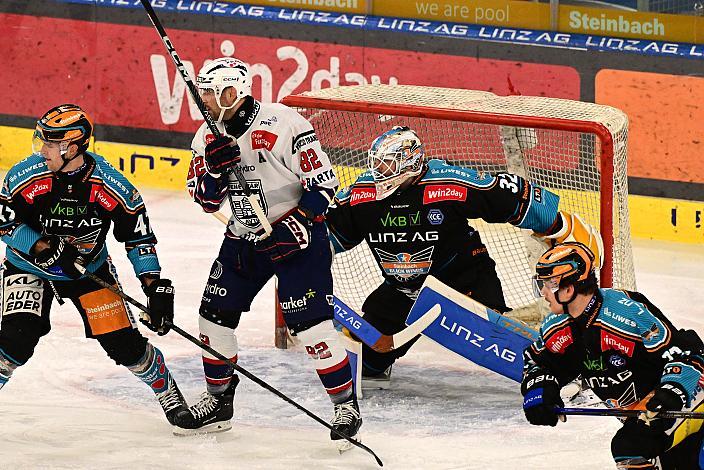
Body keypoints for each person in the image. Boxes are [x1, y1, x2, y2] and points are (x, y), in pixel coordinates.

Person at [325, 125, 603, 387]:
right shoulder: (362, 195)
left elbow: (504, 194)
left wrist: (559, 225)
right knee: (366, 364)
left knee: (506, 342)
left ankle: (570, 364)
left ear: (411, 162)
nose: (379, 171)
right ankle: (378, 361)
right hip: (404, 291)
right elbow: (330, 236)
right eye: (377, 163)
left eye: (388, 164)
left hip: (462, 281)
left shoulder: (447, 183)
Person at [178, 57, 361, 447]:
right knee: (213, 319)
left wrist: (295, 226)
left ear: (234, 92)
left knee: (313, 329)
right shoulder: (205, 137)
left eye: (211, 92)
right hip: (244, 240)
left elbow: (324, 187)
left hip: (300, 240)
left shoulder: (285, 124)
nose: (204, 100)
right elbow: (205, 200)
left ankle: (346, 406)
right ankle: (218, 402)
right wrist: (213, 170)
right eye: (203, 92)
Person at [0, 104, 187, 425]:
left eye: (48, 143)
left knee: (124, 346)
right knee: (16, 339)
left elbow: (139, 239)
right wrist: (42, 245)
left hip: (88, 270)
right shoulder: (25, 176)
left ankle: (167, 391)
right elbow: (4, 222)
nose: (41, 150)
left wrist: (153, 284)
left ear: (71, 147)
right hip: (28, 266)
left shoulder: (112, 186)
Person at [522, 241, 704, 469]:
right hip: (644, 415)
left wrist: (670, 392)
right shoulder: (556, 326)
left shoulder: (626, 314)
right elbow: (537, 363)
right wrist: (540, 391)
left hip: (689, 395)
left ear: (568, 289)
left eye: (548, 285)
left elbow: (686, 354)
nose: (543, 294)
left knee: (629, 447)